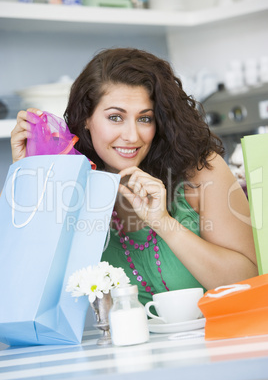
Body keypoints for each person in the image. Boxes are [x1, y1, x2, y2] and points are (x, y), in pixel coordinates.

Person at [11, 48, 258, 306]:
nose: (132, 136)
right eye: (115, 117)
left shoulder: (200, 171)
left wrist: (163, 223)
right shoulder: (74, 184)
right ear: (86, 118)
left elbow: (248, 284)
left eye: (145, 118)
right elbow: (27, 281)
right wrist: (25, 175)